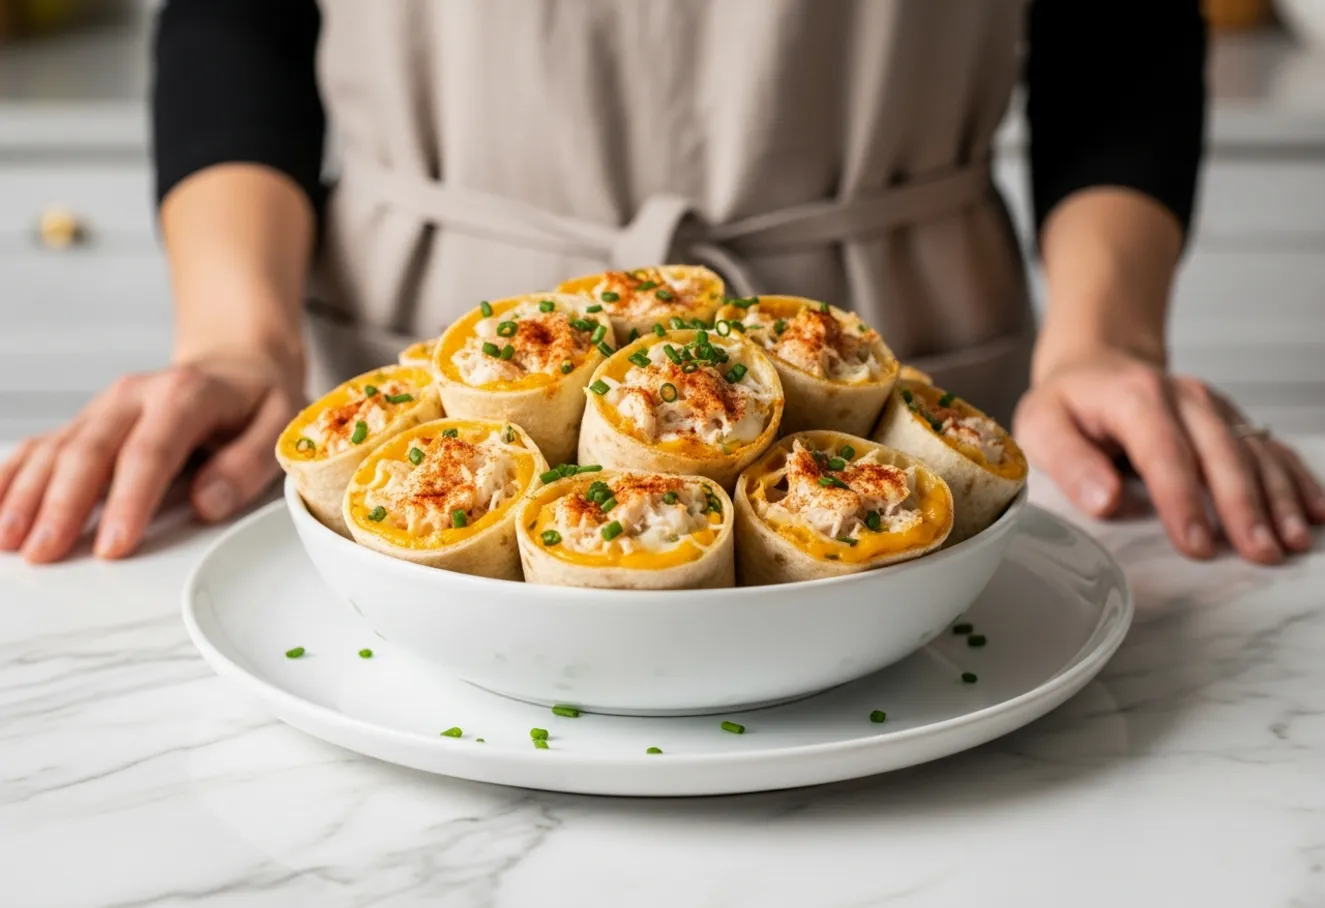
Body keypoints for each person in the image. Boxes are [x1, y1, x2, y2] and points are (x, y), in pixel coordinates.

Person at [1, 0, 1320, 566]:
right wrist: (237, 336)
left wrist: (1099, 337)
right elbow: (244, 17)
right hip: (440, 403)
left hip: (895, 380)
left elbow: (1121, 30)